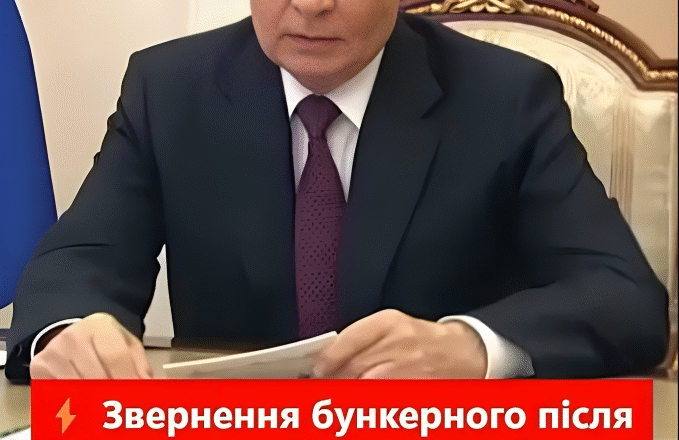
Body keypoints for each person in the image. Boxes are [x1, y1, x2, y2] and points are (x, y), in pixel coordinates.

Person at [6, 0, 668, 382]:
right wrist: (71, 332)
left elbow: (623, 298)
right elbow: (81, 262)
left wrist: (473, 345)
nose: (311, 3)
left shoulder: (505, 96)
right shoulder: (170, 89)